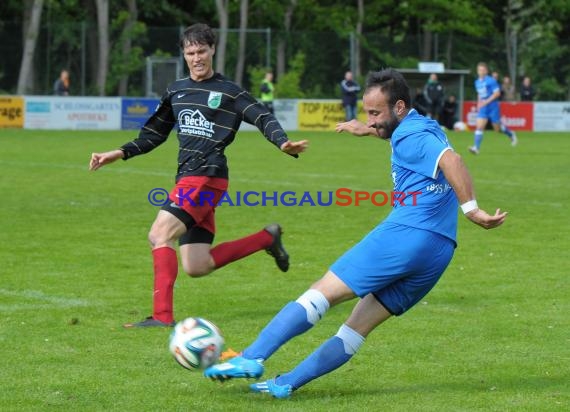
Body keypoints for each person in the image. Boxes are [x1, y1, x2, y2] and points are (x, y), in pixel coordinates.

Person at [203, 69, 507, 398]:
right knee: (357, 327)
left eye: (376, 113)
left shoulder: (411, 135)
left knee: (321, 293)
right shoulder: (419, 125)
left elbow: (452, 160)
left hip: (406, 234)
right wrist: (365, 128)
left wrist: (471, 208)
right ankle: (285, 384)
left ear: (400, 107)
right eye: (367, 112)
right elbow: (410, 139)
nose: (371, 119)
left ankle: (251, 357)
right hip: (439, 250)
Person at [89, 23, 308, 328]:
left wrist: (282, 142)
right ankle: (266, 238)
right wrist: (119, 152)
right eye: (190, 52)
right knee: (196, 264)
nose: (196, 58)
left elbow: (262, 116)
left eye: (201, 51)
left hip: (206, 176)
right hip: (189, 178)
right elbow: (153, 133)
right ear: (184, 54)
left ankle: (162, 317)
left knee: (159, 234)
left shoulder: (230, 92)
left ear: (213, 50)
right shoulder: (177, 90)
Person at [468, 62, 517, 155]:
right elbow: (480, 93)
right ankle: (476, 148)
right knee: (479, 127)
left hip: (493, 106)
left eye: (482, 70)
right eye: (479, 70)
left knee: (497, 129)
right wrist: (479, 103)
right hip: (483, 107)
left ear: (486, 71)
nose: (480, 72)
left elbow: (497, 94)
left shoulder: (491, 81)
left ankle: (511, 134)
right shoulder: (477, 82)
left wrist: (486, 102)